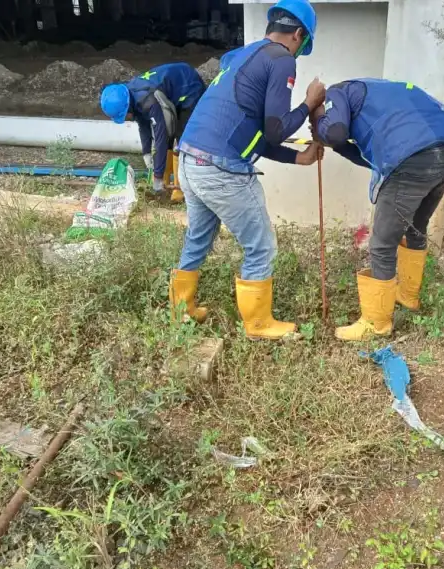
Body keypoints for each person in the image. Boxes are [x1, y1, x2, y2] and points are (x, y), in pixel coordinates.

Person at [170, 0, 326, 340]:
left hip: (189, 159)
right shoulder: (282, 58)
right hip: (219, 169)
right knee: (261, 245)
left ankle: (181, 309)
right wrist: (309, 104)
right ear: (298, 34)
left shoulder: (241, 57)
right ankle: (258, 324)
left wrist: (297, 158)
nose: (298, 51)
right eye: (302, 43)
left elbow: (252, 131)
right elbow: (276, 129)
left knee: (200, 235)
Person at [310, 78, 444, 341]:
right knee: (416, 225)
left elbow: (334, 131)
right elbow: (370, 158)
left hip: (412, 153)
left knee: (382, 242)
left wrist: (318, 123)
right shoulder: (382, 93)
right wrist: (337, 146)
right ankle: (408, 296)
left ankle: (376, 323)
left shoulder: (338, 91)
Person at [100, 63, 206, 202]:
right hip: (171, 91)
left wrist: (157, 176)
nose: (126, 117)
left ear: (126, 105)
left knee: (181, 140)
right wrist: (146, 152)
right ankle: (165, 184)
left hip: (188, 87)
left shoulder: (148, 101)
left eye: (125, 114)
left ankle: (181, 190)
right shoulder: (131, 95)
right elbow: (143, 124)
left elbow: (161, 136)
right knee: (168, 138)